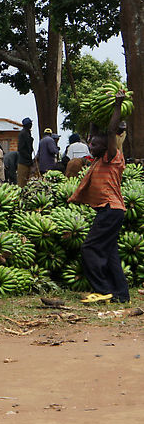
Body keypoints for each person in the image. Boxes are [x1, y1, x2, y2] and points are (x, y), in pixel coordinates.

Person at [68, 92, 129, 304]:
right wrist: (95, 114)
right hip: (110, 211)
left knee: (89, 248)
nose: (90, 147)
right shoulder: (98, 159)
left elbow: (111, 131)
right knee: (110, 253)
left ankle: (103, 290)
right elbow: (96, 131)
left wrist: (118, 105)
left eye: (94, 145)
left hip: (111, 209)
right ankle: (122, 295)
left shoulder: (112, 156)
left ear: (106, 145)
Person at [17, 117, 34, 186]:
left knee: (27, 181)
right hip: (23, 162)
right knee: (22, 182)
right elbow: (21, 148)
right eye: (30, 124)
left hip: (27, 161)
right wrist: (28, 157)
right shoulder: (23, 134)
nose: (31, 125)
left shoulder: (28, 133)